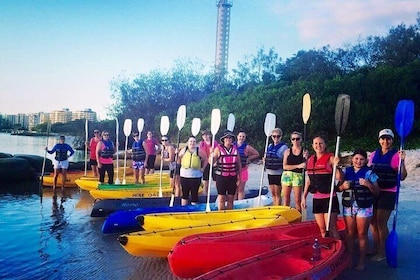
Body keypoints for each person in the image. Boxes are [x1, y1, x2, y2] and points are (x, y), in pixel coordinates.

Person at [368, 128, 407, 262]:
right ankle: (376, 247)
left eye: (388, 138)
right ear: (379, 140)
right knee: (372, 221)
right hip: (374, 191)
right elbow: (368, 172)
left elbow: (402, 177)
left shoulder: (397, 155)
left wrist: (402, 162)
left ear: (392, 140)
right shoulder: (373, 154)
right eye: (383, 138)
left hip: (388, 192)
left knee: (381, 222)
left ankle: (382, 252)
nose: (385, 141)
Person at [338, 149, 379, 270]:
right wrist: (342, 186)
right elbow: (337, 188)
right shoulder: (346, 171)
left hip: (364, 207)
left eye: (361, 159)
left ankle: (361, 261)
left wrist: (368, 185)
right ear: (352, 159)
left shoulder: (369, 173)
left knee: (362, 234)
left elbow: (377, 192)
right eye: (356, 158)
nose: (358, 161)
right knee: (350, 234)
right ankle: (349, 258)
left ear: (366, 160)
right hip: (349, 206)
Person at [301, 135, 342, 239]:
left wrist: (337, 166)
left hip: (329, 198)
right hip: (317, 199)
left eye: (321, 143)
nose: (318, 145)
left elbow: (339, 178)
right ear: (312, 145)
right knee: (322, 228)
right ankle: (327, 246)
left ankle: (338, 247)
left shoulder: (331, 158)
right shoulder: (310, 160)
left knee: (331, 228)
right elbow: (309, 180)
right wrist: (304, 197)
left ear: (325, 145)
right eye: (316, 143)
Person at [212, 130, 242, 210]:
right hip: (221, 177)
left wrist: (239, 178)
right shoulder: (218, 149)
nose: (228, 139)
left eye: (230, 138)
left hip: (233, 177)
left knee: (231, 198)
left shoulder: (235, 149)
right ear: (223, 140)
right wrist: (211, 156)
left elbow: (239, 164)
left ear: (232, 140)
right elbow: (211, 162)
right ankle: (221, 215)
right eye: (226, 138)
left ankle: (229, 215)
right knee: (221, 198)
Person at [178, 135, 208, 205]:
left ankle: (194, 210)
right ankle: (184, 209)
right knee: (185, 194)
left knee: (194, 194)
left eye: (194, 141)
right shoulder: (184, 150)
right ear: (188, 142)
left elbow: (206, 159)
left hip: (196, 175)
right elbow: (178, 157)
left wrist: (203, 168)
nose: (192, 143)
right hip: (184, 175)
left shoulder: (199, 151)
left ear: (196, 143)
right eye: (191, 141)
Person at [281, 131, 306, 212]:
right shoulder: (287, 151)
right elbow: (284, 166)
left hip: (298, 176)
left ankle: (299, 219)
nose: (295, 141)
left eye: (297, 139)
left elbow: (306, 166)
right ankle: (286, 216)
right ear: (291, 140)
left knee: (297, 200)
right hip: (287, 175)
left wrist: (305, 159)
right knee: (286, 199)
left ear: (301, 140)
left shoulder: (304, 152)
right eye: (293, 139)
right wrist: (298, 166)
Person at [264, 128, 288, 206]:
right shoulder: (270, 145)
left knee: (278, 193)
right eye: (274, 136)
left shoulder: (284, 147)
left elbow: (286, 160)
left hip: (278, 173)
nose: (276, 138)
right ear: (271, 137)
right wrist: (265, 160)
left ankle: (277, 209)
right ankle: (275, 207)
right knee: (273, 193)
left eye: (278, 136)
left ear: (281, 137)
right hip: (270, 172)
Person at [234, 130, 260, 200]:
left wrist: (248, 159)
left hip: (243, 170)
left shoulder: (247, 147)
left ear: (245, 138)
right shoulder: (232, 146)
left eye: (243, 137)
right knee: (234, 189)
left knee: (241, 189)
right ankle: (233, 204)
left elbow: (256, 154)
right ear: (237, 137)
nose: (241, 138)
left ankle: (240, 204)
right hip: (233, 171)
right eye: (240, 136)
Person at [199, 129, 218, 194]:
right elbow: (200, 153)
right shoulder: (202, 144)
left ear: (209, 135)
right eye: (204, 135)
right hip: (205, 163)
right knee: (205, 181)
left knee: (216, 180)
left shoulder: (214, 142)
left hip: (213, 163)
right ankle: (205, 195)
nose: (205, 136)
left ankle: (219, 194)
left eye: (206, 135)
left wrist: (213, 151)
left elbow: (218, 152)